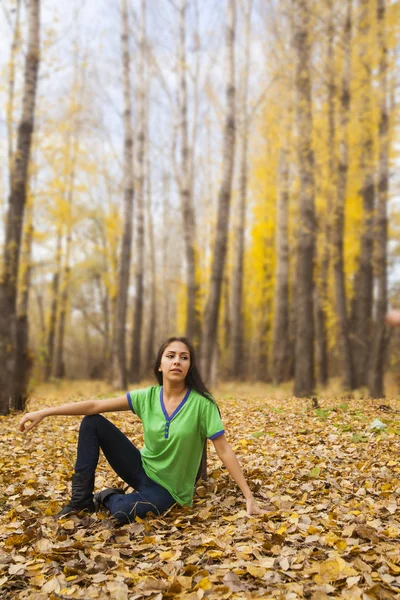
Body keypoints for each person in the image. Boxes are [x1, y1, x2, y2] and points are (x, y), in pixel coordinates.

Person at [19, 337, 264, 523]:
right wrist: (45, 412)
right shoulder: (147, 397)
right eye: (170, 356)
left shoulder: (203, 404)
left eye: (184, 357)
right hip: (140, 468)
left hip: (168, 490)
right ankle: (80, 501)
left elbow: (224, 451)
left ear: (190, 366)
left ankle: (107, 496)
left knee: (123, 512)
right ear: (160, 365)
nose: (177, 361)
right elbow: (94, 405)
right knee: (92, 421)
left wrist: (248, 496)